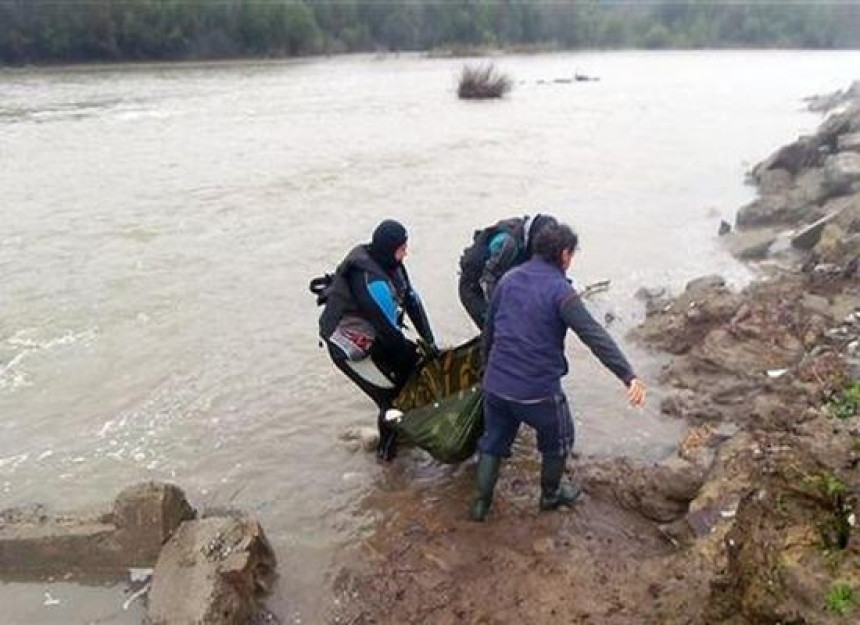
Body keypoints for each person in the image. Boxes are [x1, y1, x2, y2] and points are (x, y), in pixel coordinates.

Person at [470, 222, 646, 521]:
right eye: (572, 254)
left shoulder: (508, 279)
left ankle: (480, 505)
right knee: (561, 435)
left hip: (496, 385)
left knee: (494, 440)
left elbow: (489, 331)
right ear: (564, 254)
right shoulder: (561, 291)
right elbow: (594, 336)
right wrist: (628, 375)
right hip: (536, 392)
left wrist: (489, 372)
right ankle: (550, 495)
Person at [317, 219, 437, 461]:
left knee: (403, 380)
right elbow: (391, 335)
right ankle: (386, 462)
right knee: (391, 398)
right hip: (348, 347)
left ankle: (395, 442)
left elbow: (412, 301)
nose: (406, 253)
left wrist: (430, 342)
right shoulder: (372, 283)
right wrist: (413, 362)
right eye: (402, 248)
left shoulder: (393, 265)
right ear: (389, 249)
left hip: (374, 335)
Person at [458, 213, 558, 329]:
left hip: (502, 281)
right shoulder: (508, 244)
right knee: (501, 331)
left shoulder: (530, 242)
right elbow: (486, 280)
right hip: (474, 288)